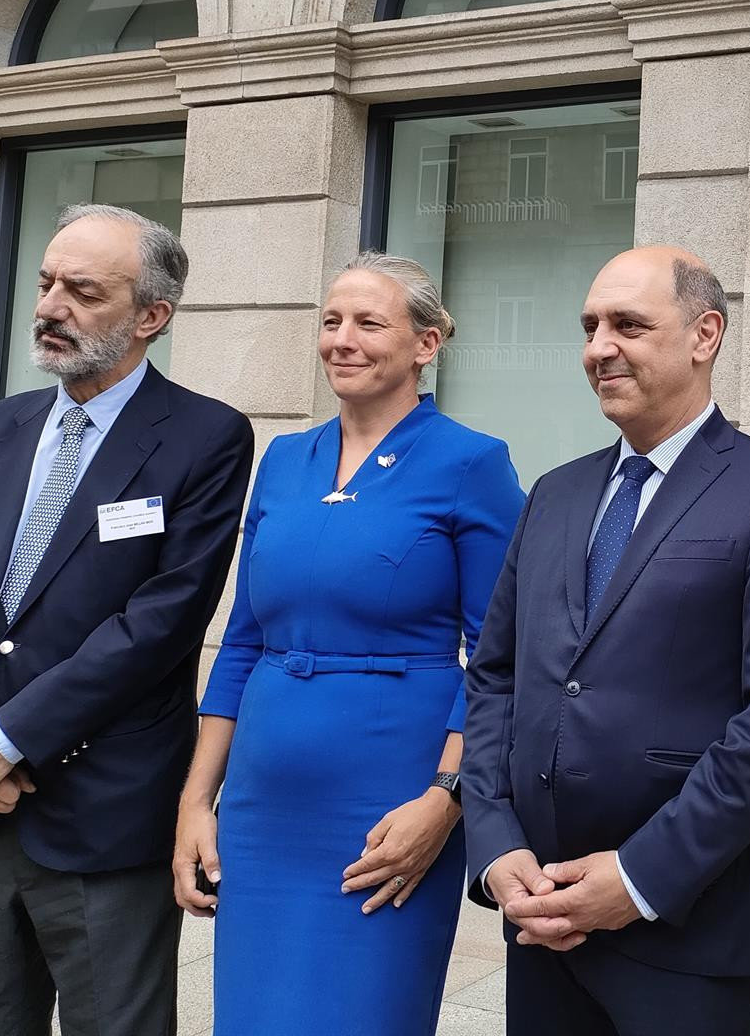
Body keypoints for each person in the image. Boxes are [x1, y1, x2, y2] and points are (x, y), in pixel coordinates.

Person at [0, 204, 254, 1036]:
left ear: (151, 317)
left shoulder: (205, 437)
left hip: (104, 815)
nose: (51, 305)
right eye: (48, 281)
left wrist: (5, 739)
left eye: (83, 291)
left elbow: (159, 622)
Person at [461, 245, 750, 1036]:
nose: (599, 348)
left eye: (628, 324)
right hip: (539, 913)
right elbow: (496, 679)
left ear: (705, 335)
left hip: (687, 926)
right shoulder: (555, 493)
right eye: (590, 326)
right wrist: (495, 848)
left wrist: (636, 879)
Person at [173, 252, 523, 1036]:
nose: (343, 339)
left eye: (369, 322)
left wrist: (446, 801)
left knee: (365, 1013)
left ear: (426, 344)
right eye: (332, 321)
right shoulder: (283, 460)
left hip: (388, 802)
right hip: (264, 804)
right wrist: (198, 801)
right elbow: (240, 642)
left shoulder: (472, 462)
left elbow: (502, 653)